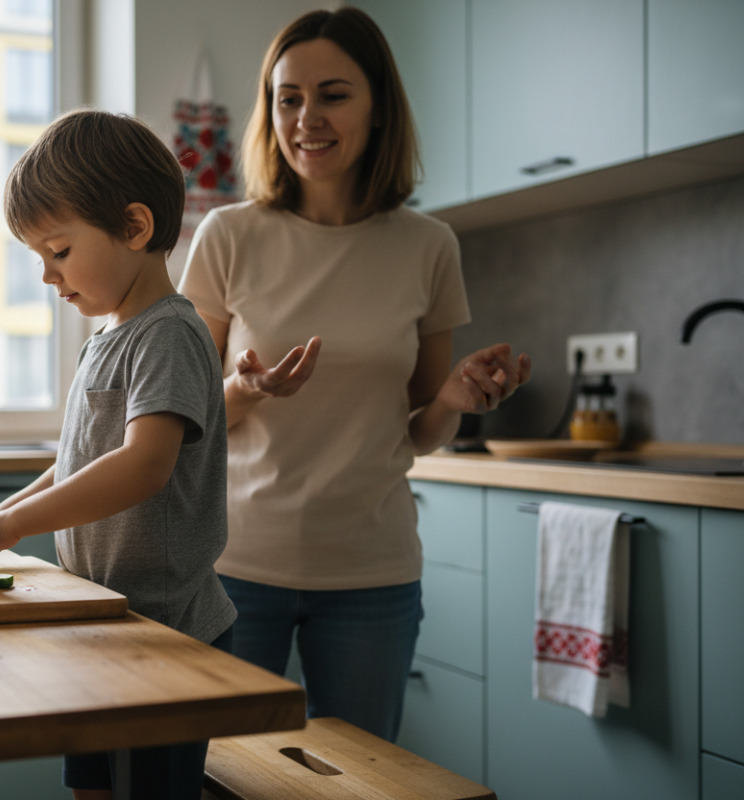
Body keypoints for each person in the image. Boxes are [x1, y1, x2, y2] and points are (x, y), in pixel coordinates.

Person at [178, 7, 531, 743]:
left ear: (378, 108)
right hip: (235, 565)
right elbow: (185, 420)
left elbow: (418, 430)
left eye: (334, 94)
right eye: (289, 98)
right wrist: (249, 389)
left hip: (372, 573)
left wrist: (453, 400)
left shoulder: (428, 246)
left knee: (363, 784)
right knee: (220, 776)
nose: (308, 117)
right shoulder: (227, 235)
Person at [0, 108, 236, 800]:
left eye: (60, 251)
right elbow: (80, 459)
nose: (47, 274)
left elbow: (142, 464)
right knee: (93, 787)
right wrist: (0, 514)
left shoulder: (168, 335)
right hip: (105, 620)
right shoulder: (107, 336)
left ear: (135, 228)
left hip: (167, 635)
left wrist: (10, 528)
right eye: (38, 256)